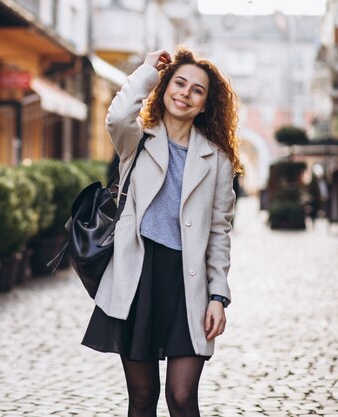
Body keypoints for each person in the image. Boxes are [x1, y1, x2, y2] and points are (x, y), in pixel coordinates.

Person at [82, 48, 242, 417]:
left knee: (182, 397)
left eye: (197, 90)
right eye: (178, 83)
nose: (185, 93)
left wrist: (218, 295)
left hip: (189, 284)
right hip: (138, 277)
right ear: (164, 88)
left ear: (205, 104)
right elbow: (117, 116)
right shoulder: (137, 140)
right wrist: (147, 70)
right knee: (142, 397)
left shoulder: (216, 160)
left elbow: (220, 231)